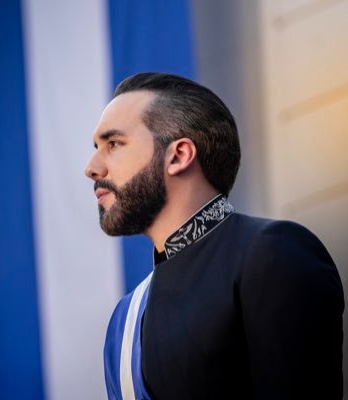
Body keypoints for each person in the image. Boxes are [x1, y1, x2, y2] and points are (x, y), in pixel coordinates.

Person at [84, 73, 344, 400]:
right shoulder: (124, 323)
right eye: (97, 148)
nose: (91, 168)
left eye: (114, 144)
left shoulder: (272, 253)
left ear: (179, 155)